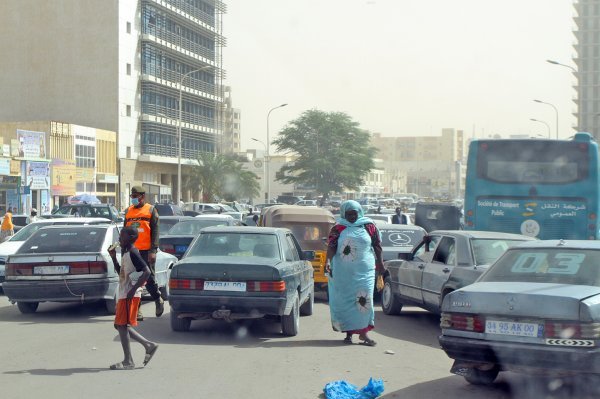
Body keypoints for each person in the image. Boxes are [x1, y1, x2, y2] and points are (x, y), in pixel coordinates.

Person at [325, 200, 384, 346]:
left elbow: (377, 246)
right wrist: (327, 261)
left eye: (354, 213)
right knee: (346, 301)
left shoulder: (369, 226)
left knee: (365, 300)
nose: (352, 217)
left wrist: (381, 264)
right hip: (343, 273)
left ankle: (364, 334)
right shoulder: (338, 228)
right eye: (349, 214)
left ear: (360, 212)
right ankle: (349, 333)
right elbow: (332, 247)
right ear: (344, 214)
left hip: (365, 271)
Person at [108, 226, 159, 370]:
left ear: (130, 237)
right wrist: (113, 258)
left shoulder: (133, 252)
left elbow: (147, 272)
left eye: (122, 236)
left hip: (129, 294)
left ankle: (128, 361)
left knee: (122, 326)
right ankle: (148, 345)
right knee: (120, 325)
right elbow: (121, 273)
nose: (119, 238)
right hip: (125, 293)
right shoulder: (125, 253)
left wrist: (134, 289)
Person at [124, 186, 164, 320]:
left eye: (136, 196)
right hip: (132, 251)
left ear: (142, 196)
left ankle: (158, 299)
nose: (133, 198)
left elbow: (156, 231)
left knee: (148, 278)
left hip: (146, 251)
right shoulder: (128, 211)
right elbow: (125, 232)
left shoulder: (151, 210)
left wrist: (153, 250)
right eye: (132, 196)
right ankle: (137, 309)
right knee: (134, 280)